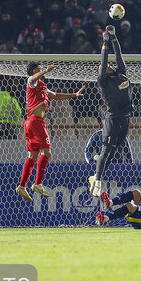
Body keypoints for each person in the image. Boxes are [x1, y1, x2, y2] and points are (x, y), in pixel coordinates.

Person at [16, 63, 85, 202]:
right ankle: (38, 184)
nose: (43, 71)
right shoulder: (32, 82)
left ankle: (22, 186)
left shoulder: (42, 87)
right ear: (35, 71)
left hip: (30, 122)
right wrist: (45, 71)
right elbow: (33, 78)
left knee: (33, 155)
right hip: (35, 122)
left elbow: (57, 95)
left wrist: (74, 94)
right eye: (40, 69)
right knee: (47, 152)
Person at [89, 25, 134, 197]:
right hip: (113, 118)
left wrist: (114, 38)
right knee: (106, 150)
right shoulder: (103, 82)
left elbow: (119, 56)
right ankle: (98, 181)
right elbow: (103, 60)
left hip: (126, 118)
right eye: (102, 67)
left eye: (107, 66)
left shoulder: (121, 74)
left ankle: (96, 177)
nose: (105, 66)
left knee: (113, 151)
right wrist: (105, 44)